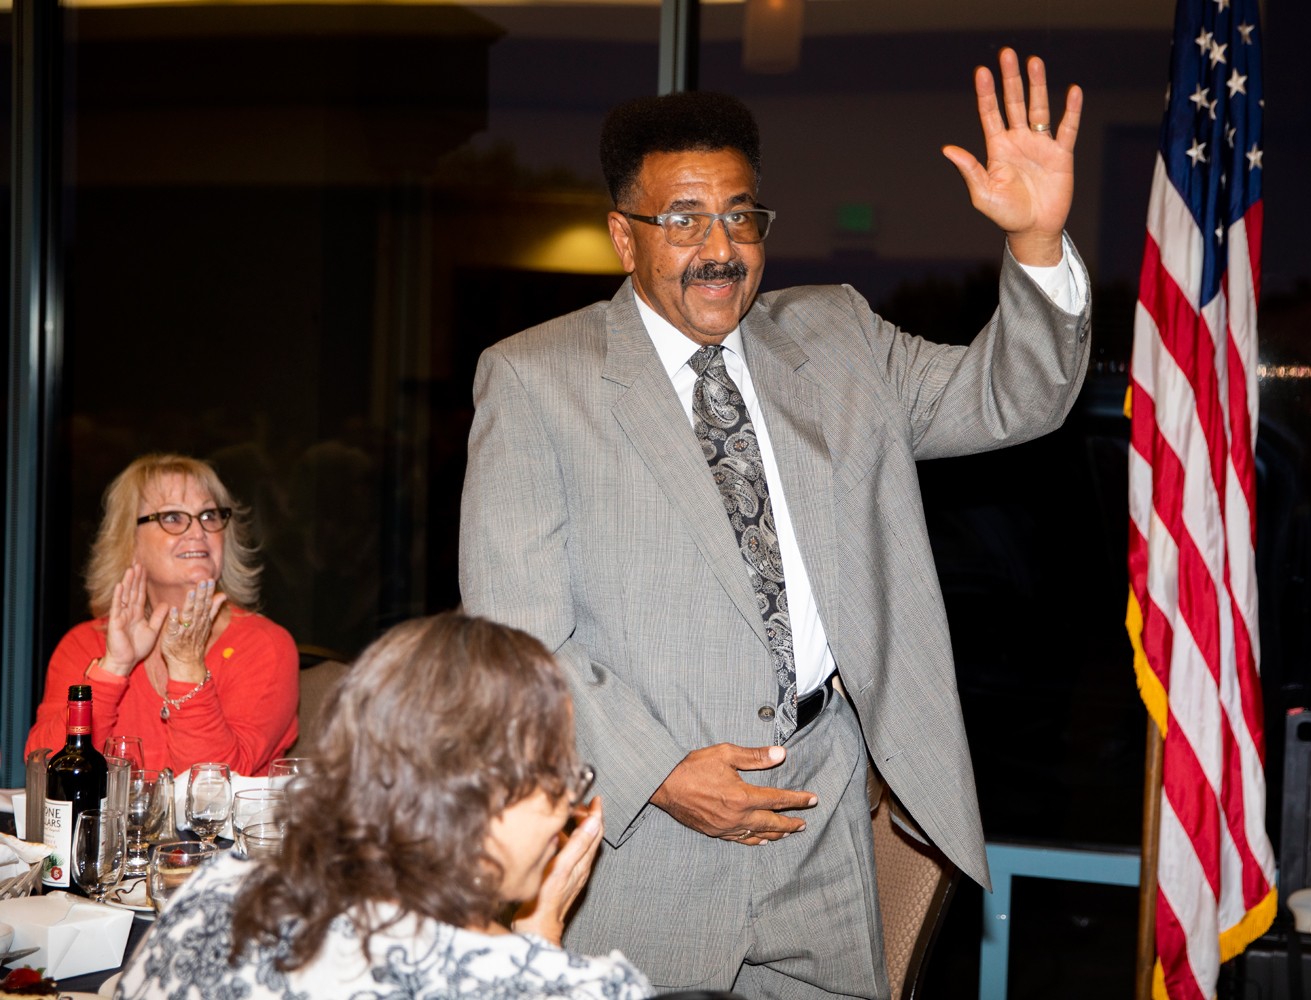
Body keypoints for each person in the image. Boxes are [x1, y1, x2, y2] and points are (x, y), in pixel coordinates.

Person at [459, 48, 1089, 998]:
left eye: (740, 215)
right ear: (624, 238)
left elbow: (1013, 398)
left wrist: (1038, 243)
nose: (720, 247)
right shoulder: (535, 379)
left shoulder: (838, 339)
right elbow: (518, 639)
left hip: (820, 815)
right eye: (682, 220)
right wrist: (660, 774)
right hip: (639, 843)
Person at [113, 612, 652, 1000]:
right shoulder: (573, 988)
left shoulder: (213, 895)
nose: (568, 806)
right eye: (561, 775)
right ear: (489, 796)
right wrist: (540, 944)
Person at [26, 453, 298, 776]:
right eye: (172, 517)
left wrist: (186, 667)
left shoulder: (264, 646)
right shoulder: (84, 645)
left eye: (209, 515)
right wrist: (114, 668)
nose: (198, 531)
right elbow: (44, 769)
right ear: (129, 542)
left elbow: (212, 789)